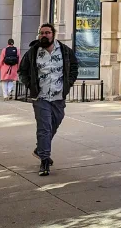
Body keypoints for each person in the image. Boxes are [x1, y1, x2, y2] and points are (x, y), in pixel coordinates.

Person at [18, 24, 79, 176]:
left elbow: (74, 67)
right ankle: (44, 160)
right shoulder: (33, 52)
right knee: (44, 127)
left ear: (53, 34)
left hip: (59, 96)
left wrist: (69, 83)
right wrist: (29, 84)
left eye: (47, 32)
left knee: (55, 123)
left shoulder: (64, 51)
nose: (44, 35)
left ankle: (40, 149)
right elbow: (22, 70)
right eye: (42, 33)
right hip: (41, 97)